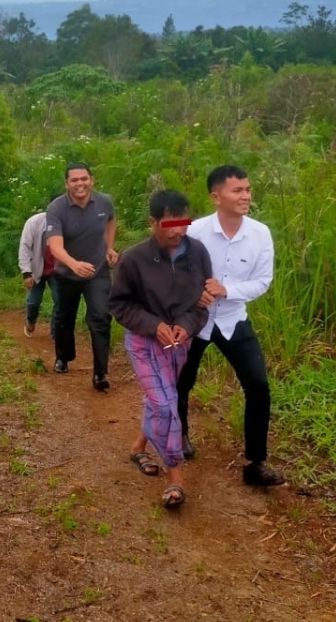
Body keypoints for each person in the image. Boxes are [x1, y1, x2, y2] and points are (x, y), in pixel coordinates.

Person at [176, 165, 285, 487]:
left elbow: (263, 281)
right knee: (181, 382)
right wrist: (193, 293)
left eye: (248, 190)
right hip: (195, 320)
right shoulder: (193, 230)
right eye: (237, 190)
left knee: (258, 386)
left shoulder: (260, 233)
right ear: (215, 196)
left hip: (233, 319)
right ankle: (178, 436)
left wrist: (228, 291)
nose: (246, 196)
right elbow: (171, 267)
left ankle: (256, 463)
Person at [108, 189, 212, 509]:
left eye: (184, 222)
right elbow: (119, 304)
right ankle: (176, 479)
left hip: (179, 343)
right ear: (152, 222)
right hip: (144, 344)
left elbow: (202, 303)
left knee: (162, 396)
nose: (179, 230)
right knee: (166, 405)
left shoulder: (198, 254)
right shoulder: (134, 258)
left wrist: (187, 324)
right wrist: (154, 325)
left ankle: (139, 447)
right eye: (170, 223)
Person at [45, 163, 118, 390]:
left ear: (92, 180)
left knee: (101, 317)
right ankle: (63, 357)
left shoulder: (104, 201)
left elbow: (111, 220)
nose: (80, 184)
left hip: (98, 272)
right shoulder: (56, 209)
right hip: (67, 273)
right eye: (74, 180)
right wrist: (73, 264)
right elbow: (54, 246)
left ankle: (100, 373)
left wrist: (109, 247)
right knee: (64, 317)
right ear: (67, 184)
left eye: (84, 179)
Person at [17, 195, 62, 338]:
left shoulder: (69, 222)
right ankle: (30, 321)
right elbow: (25, 246)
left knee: (60, 300)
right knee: (34, 301)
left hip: (57, 269)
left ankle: (56, 332)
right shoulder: (34, 222)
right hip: (37, 268)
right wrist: (26, 273)